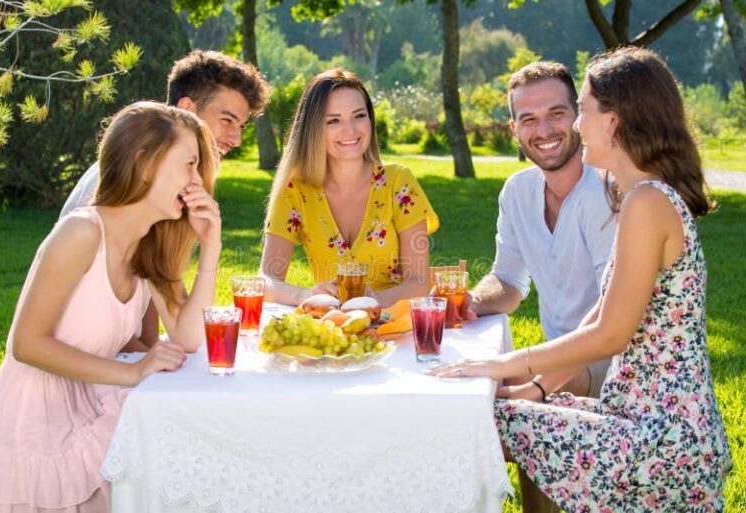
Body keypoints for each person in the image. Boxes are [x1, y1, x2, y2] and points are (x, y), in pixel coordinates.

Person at [430, 46, 732, 511]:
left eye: (582, 110)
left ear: (615, 119)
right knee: (500, 413)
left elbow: (610, 333)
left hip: (658, 439)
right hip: (649, 421)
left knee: (479, 421)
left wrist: (505, 365)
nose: (575, 126)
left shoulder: (645, 203)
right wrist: (532, 383)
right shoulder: (642, 196)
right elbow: (603, 309)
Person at [0, 101, 223, 512]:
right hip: (36, 427)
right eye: (189, 164)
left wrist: (211, 246)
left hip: (89, 407)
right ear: (146, 164)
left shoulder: (147, 244)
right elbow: (26, 345)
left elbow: (189, 338)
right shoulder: (80, 233)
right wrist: (132, 371)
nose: (197, 180)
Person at [60, 50, 269, 350]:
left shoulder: (167, 184)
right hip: (82, 365)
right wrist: (148, 363)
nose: (236, 139)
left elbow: (152, 279)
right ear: (187, 108)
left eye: (242, 126)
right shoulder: (126, 186)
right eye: (227, 120)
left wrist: (152, 348)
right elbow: (82, 326)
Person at [461, 61, 615, 402]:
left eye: (556, 113)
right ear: (515, 130)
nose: (544, 130)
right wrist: (471, 301)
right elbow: (508, 280)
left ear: (579, 116)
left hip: (614, 365)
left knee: (479, 391)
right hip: (559, 359)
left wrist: (534, 380)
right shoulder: (518, 191)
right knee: (469, 382)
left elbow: (612, 313)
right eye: (529, 119)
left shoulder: (605, 191)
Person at [260, 69, 439, 307]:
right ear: (314, 128)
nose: (351, 130)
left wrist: (375, 300)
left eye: (359, 115)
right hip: (333, 330)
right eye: (334, 120)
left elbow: (419, 282)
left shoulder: (399, 183)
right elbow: (265, 280)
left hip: (395, 328)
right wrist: (306, 295)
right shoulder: (296, 192)